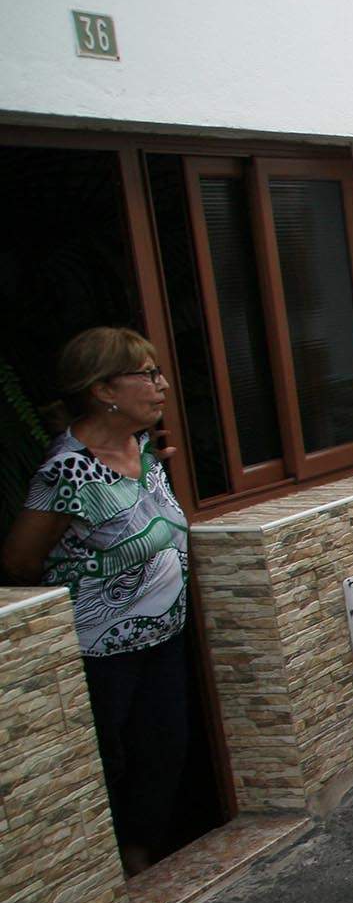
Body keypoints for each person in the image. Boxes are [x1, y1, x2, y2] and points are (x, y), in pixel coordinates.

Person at [3, 328, 192, 873]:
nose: (161, 385)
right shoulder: (67, 470)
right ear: (103, 389)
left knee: (164, 749)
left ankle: (141, 858)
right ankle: (116, 870)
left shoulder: (144, 450)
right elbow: (19, 562)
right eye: (147, 375)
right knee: (112, 760)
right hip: (101, 652)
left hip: (163, 637)